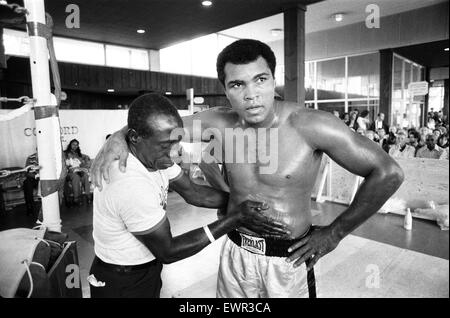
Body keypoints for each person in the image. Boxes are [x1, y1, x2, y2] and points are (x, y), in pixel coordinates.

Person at [91, 39, 404, 298]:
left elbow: (388, 173)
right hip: (236, 250)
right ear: (225, 89)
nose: (251, 94)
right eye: (238, 84)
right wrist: (116, 140)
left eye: (261, 79)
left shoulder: (313, 125)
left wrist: (334, 233)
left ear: (273, 79)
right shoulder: (217, 122)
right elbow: (148, 129)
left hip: (288, 258)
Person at [89, 93, 288, 298]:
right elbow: (169, 250)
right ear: (134, 138)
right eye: (166, 145)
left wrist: (242, 203)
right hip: (121, 280)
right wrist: (234, 218)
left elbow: (194, 193)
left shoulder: (153, 156)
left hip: (146, 268)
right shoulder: (129, 182)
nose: (174, 152)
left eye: (176, 141)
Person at [64, 139, 92, 205]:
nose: (75, 146)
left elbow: (86, 157)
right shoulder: (65, 153)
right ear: (70, 145)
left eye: (76, 145)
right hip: (69, 172)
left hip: (78, 170)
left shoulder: (78, 154)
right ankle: (76, 198)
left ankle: (88, 195)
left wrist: (86, 161)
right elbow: (63, 164)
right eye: (73, 144)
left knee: (85, 176)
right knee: (76, 177)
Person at [22, 152, 39, 216]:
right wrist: (35, 176)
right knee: (27, 183)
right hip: (34, 178)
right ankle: (30, 208)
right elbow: (27, 171)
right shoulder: (30, 157)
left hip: (46, 177)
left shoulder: (48, 156)